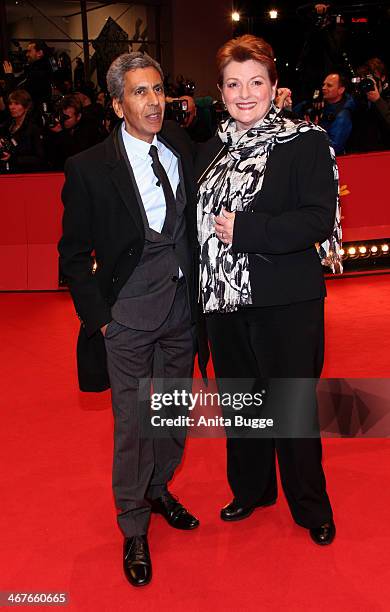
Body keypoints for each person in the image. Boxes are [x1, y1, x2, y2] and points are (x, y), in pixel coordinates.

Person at [58, 52, 200, 588]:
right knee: (134, 424)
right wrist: (102, 320)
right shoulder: (90, 167)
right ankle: (133, 523)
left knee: (172, 415)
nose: (154, 101)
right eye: (140, 92)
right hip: (128, 320)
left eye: (159, 89)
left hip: (181, 313)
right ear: (118, 104)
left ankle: (159, 489)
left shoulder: (182, 147)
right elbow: (72, 255)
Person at [196, 35, 342, 546]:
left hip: (287, 300)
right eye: (234, 84)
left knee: (292, 406)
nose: (245, 93)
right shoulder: (210, 151)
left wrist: (249, 231)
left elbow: (317, 218)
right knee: (241, 405)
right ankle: (252, 490)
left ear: (274, 86)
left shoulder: (305, 142)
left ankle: (310, 505)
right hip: (223, 302)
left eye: (256, 82)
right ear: (220, 90)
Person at [46, 94, 103, 170]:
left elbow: (79, 154)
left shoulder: (89, 128)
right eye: (62, 116)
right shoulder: (60, 127)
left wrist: (62, 134)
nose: (64, 120)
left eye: (67, 117)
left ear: (78, 116)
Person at [0, 88, 45, 173]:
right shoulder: (7, 126)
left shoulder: (33, 129)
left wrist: (12, 158)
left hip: (26, 174)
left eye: (17, 104)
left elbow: (39, 158)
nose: (12, 107)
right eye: (10, 104)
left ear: (26, 107)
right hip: (6, 172)